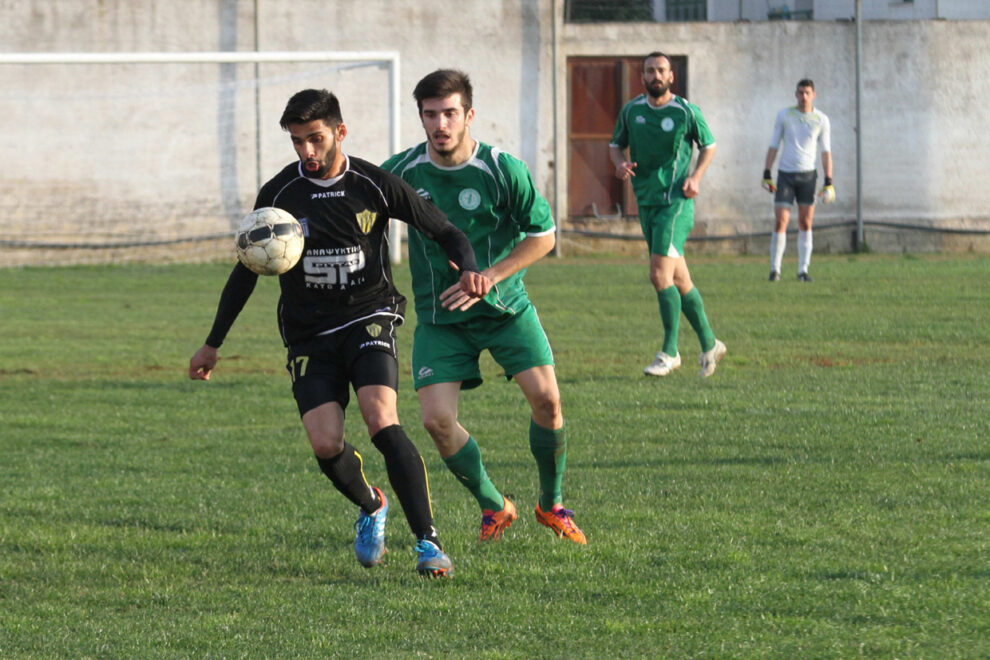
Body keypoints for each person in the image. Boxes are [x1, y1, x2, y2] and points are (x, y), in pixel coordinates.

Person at [189, 88, 491, 578]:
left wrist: (470, 267)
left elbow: (446, 231)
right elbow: (246, 270)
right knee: (326, 444)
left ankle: (428, 543)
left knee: (381, 419)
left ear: (340, 132)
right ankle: (372, 505)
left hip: (369, 318)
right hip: (309, 333)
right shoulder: (280, 195)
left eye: (315, 139)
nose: (306, 151)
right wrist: (213, 342)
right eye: (296, 142)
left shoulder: (374, 184)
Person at [382, 69, 587, 545]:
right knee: (436, 422)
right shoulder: (402, 172)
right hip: (441, 318)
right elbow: (361, 210)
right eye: (430, 114)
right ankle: (494, 505)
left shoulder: (502, 169)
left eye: (450, 113)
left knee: (549, 402)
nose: (440, 124)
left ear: (469, 115)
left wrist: (490, 276)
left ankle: (551, 504)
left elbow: (544, 236)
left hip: (506, 309)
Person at [609, 52, 726, 378]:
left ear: (671, 76)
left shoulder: (686, 111)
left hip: (676, 203)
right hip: (646, 201)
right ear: (642, 76)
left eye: (661, 70)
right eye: (649, 71)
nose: (655, 75)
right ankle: (709, 343)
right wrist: (619, 163)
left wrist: (696, 177)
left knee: (659, 275)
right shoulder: (632, 111)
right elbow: (615, 144)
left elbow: (710, 145)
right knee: (679, 278)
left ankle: (670, 351)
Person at [761, 78, 833, 282]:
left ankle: (803, 270)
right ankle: (775, 270)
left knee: (805, 221)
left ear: (814, 95)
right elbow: (774, 144)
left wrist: (829, 180)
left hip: (808, 176)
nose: (804, 97)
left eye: (807, 93)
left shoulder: (821, 119)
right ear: (796, 95)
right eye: (800, 93)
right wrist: (767, 172)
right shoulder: (785, 115)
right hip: (785, 175)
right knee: (781, 220)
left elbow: (826, 151)